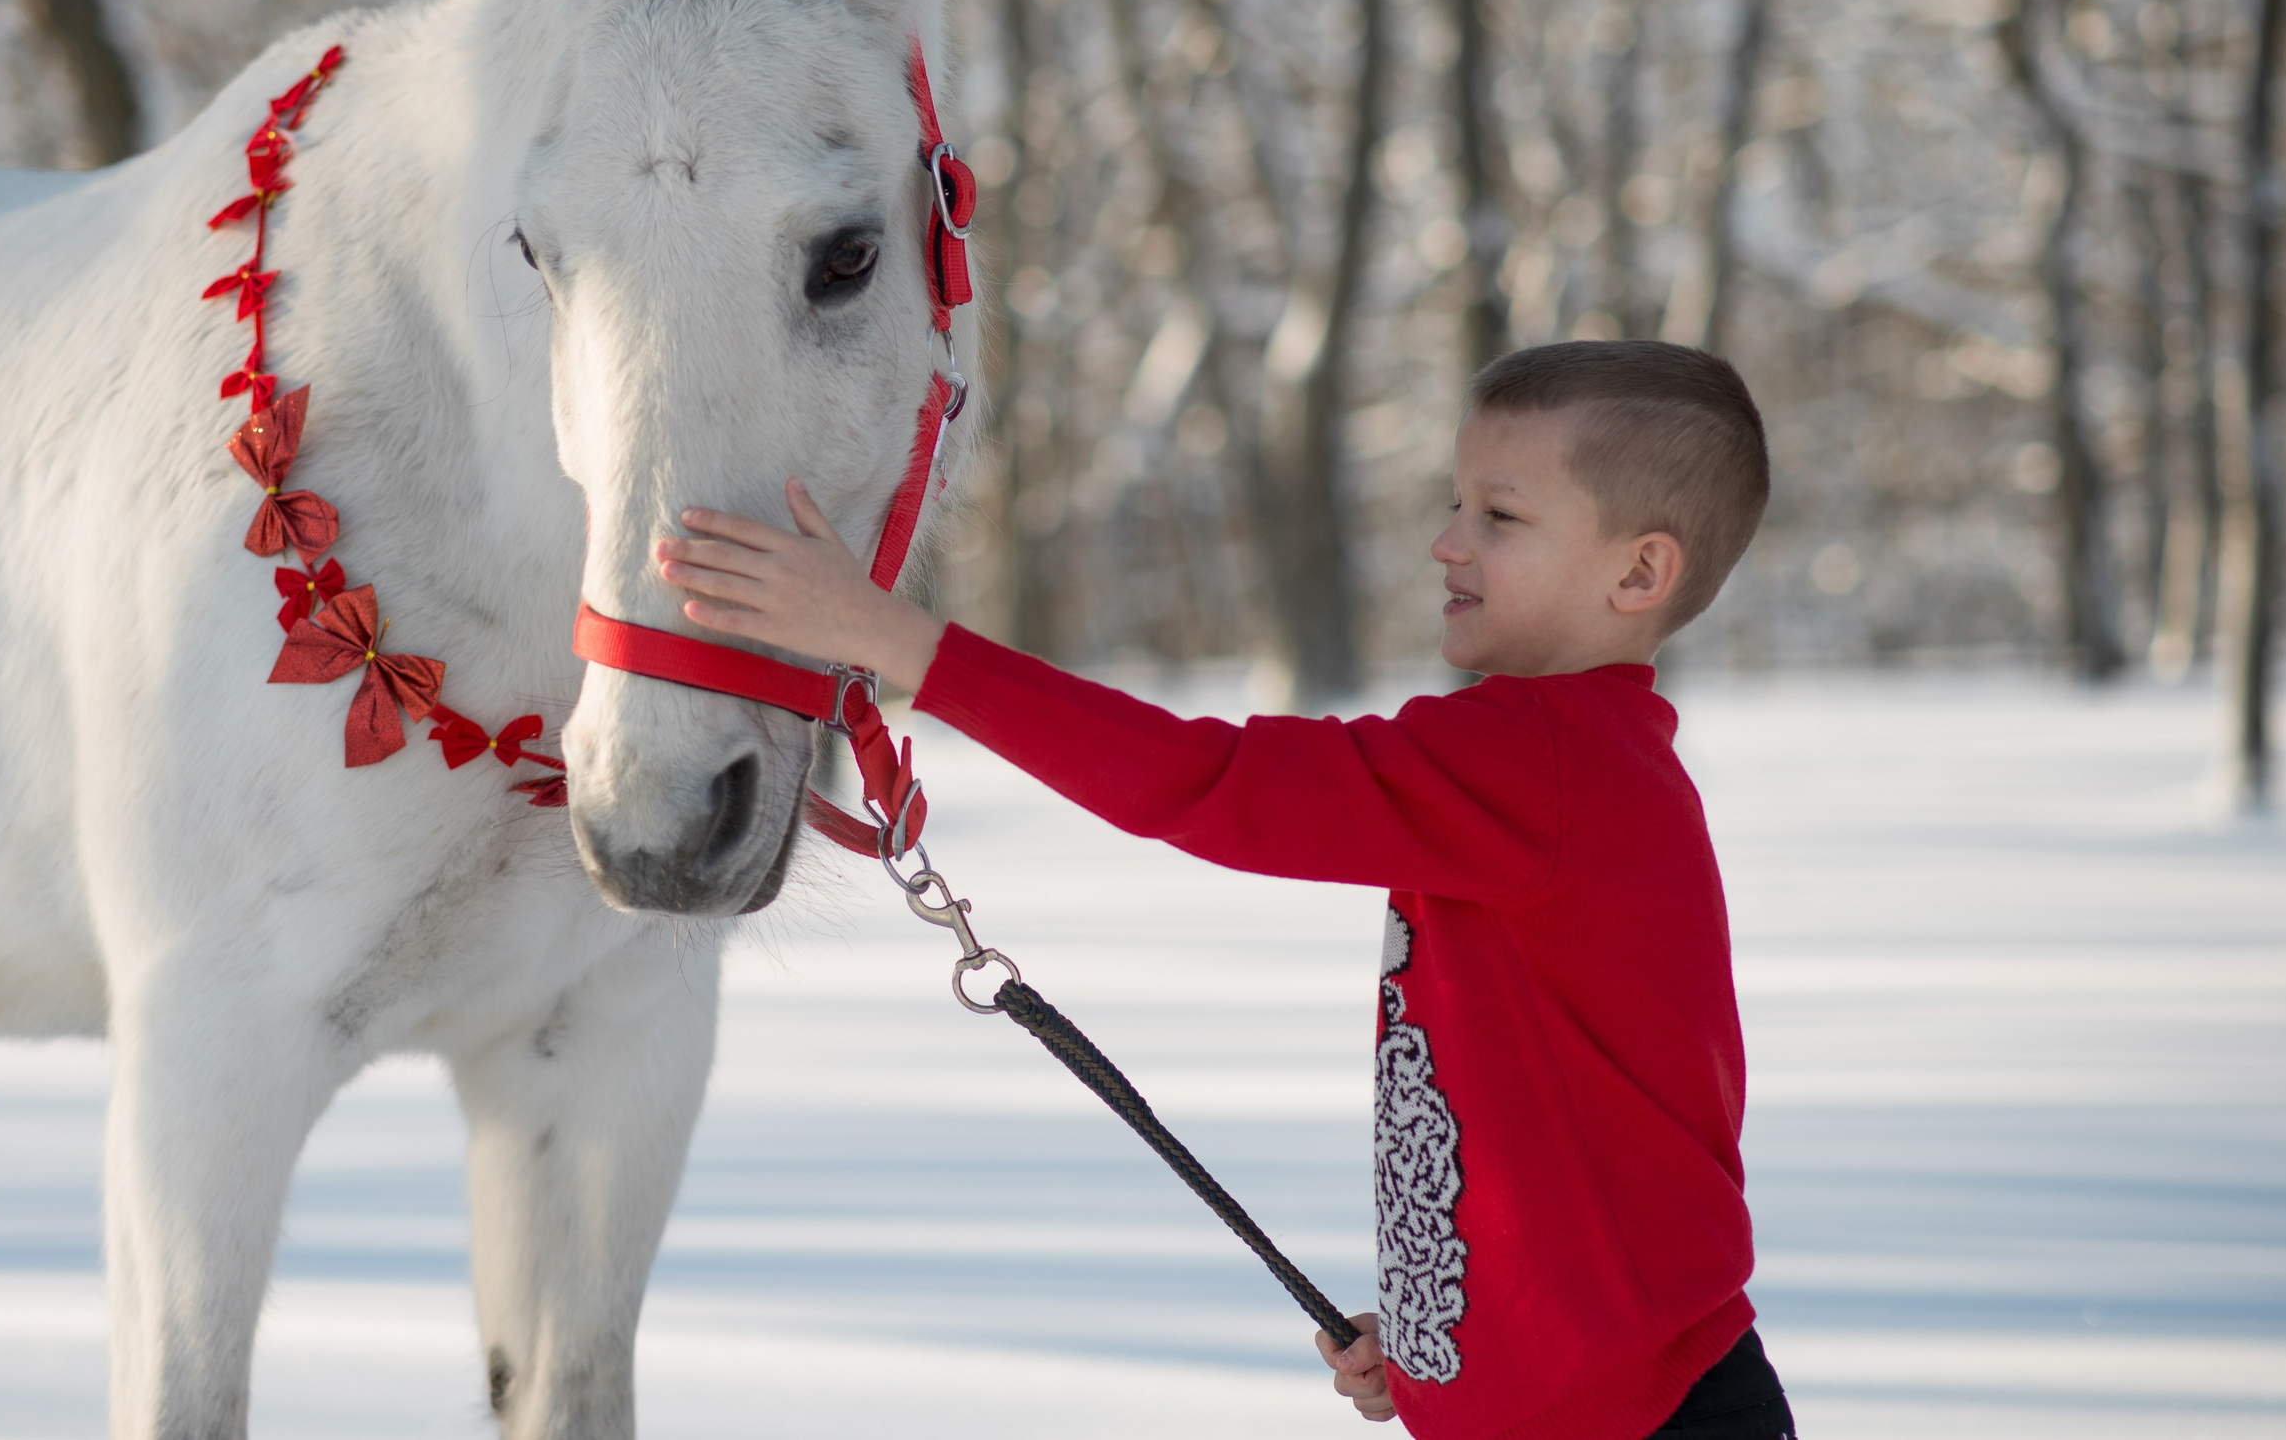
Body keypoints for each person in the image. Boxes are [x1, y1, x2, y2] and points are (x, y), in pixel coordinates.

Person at [654, 338, 1795, 1440]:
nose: (1447, 542)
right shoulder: (1566, 765)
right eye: (1454, 504)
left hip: (1646, 1417)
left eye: (1500, 517)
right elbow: (1593, 1145)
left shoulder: (1539, 762)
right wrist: (1467, 1343)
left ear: (1639, 570)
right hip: (1592, 1394)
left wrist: (893, 638)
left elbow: (1208, 784)